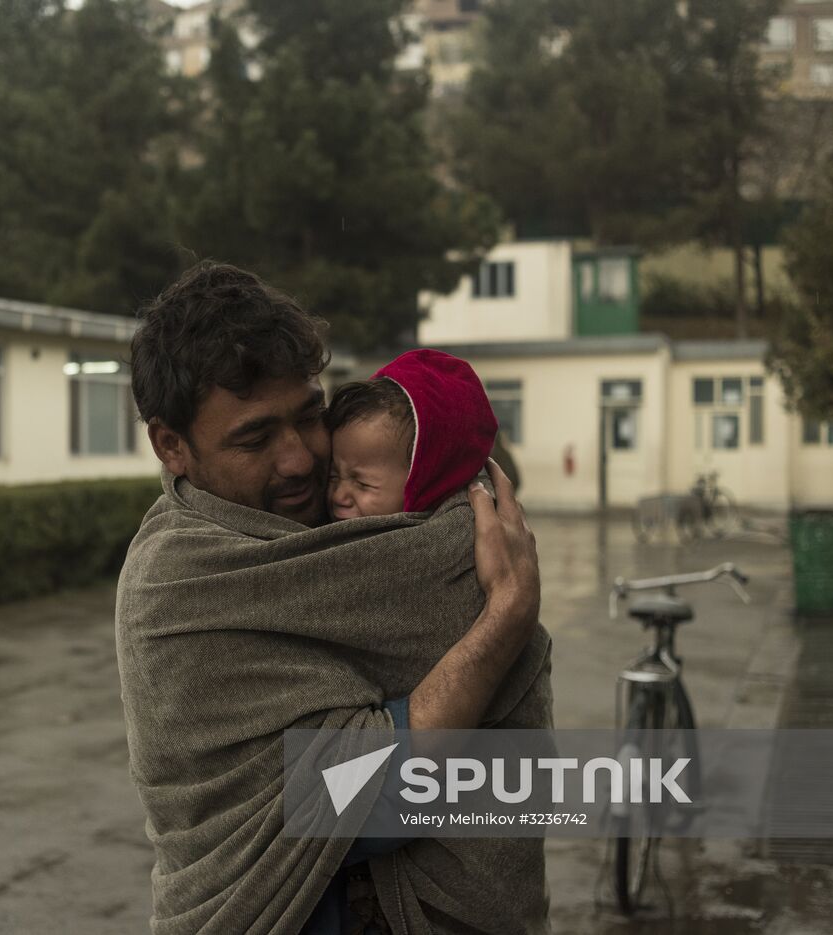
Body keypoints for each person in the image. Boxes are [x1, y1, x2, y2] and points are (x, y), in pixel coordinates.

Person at [116, 262, 551, 935]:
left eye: (309, 416)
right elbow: (364, 800)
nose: (298, 459)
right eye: (256, 438)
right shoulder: (178, 589)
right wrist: (504, 619)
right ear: (171, 444)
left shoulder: (333, 530)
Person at [326, 348, 498, 521]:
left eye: (363, 484)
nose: (338, 496)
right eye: (333, 476)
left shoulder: (451, 540)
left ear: (428, 483)